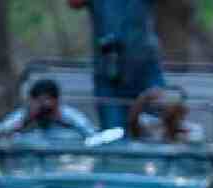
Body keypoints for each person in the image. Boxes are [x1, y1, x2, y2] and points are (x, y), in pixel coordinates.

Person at [68, 0, 166, 130]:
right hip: (108, 73)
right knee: (114, 134)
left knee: (159, 128)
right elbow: (74, 3)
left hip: (146, 71)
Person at [0, 78, 97, 140]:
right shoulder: (22, 115)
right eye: (38, 101)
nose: (42, 107)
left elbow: (93, 136)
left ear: (57, 101)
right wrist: (25, 122)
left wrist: (63, 121)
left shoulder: (71, 116)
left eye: (47, 100)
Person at [127, 86, 205, 143]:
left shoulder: (194, 130)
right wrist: (143, 97)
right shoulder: (151, 126)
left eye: (176, 107)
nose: (170, 110)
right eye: (167, 106)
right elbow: (132, 124)